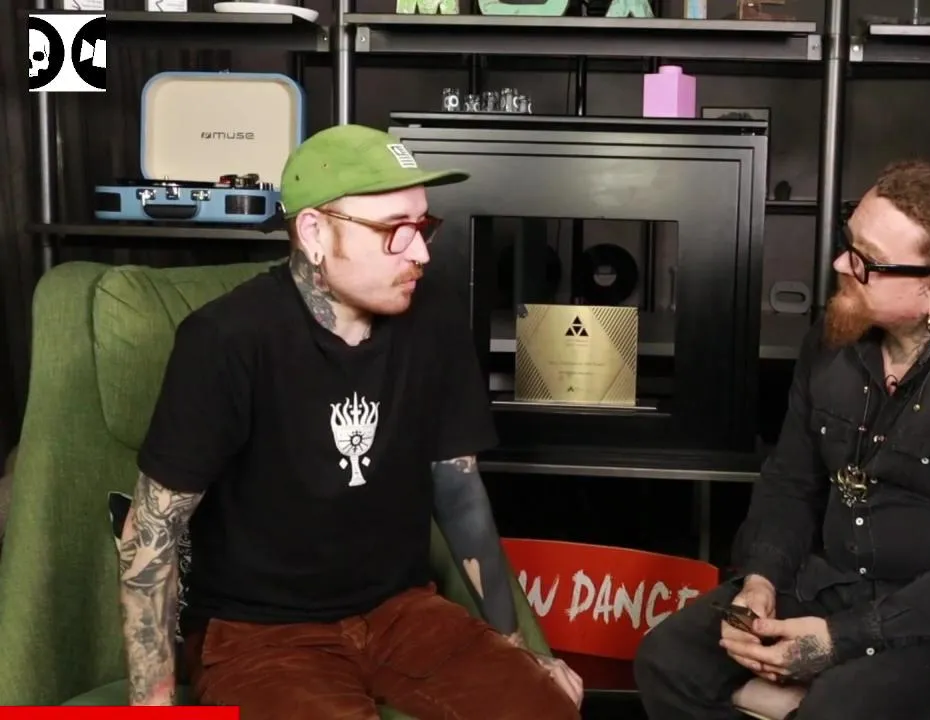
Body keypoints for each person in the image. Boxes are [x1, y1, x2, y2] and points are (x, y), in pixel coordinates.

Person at [115, 124, 584, 719]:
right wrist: (150, 707)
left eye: (423, 226)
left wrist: (515, 647)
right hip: (262, 634)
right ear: (314, 231)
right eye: (394, 230)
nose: (421, 253)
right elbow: (152, 535)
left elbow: (459, 492)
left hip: (403, 613)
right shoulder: (226, 340)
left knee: (546, 708)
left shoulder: (434, 318)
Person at [634, 160, 930, 720]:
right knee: (670, 658)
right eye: (849, 244)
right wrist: (761, 581)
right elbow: (790, 483)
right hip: (840, 584)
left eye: (867, 261)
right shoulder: (832, 341)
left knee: (841, 707)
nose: (841, 264)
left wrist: (840, 640)